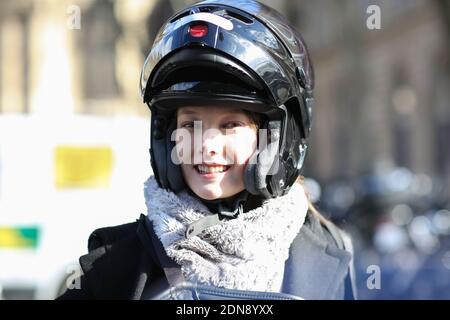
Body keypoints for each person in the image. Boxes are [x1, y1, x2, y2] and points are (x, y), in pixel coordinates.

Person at [58, 0, 357, 300]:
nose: (206, 145)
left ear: (273, 140)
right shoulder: (115, 270)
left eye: (230, 126)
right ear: (167, 137)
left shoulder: (329, 258)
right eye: (190, 125)